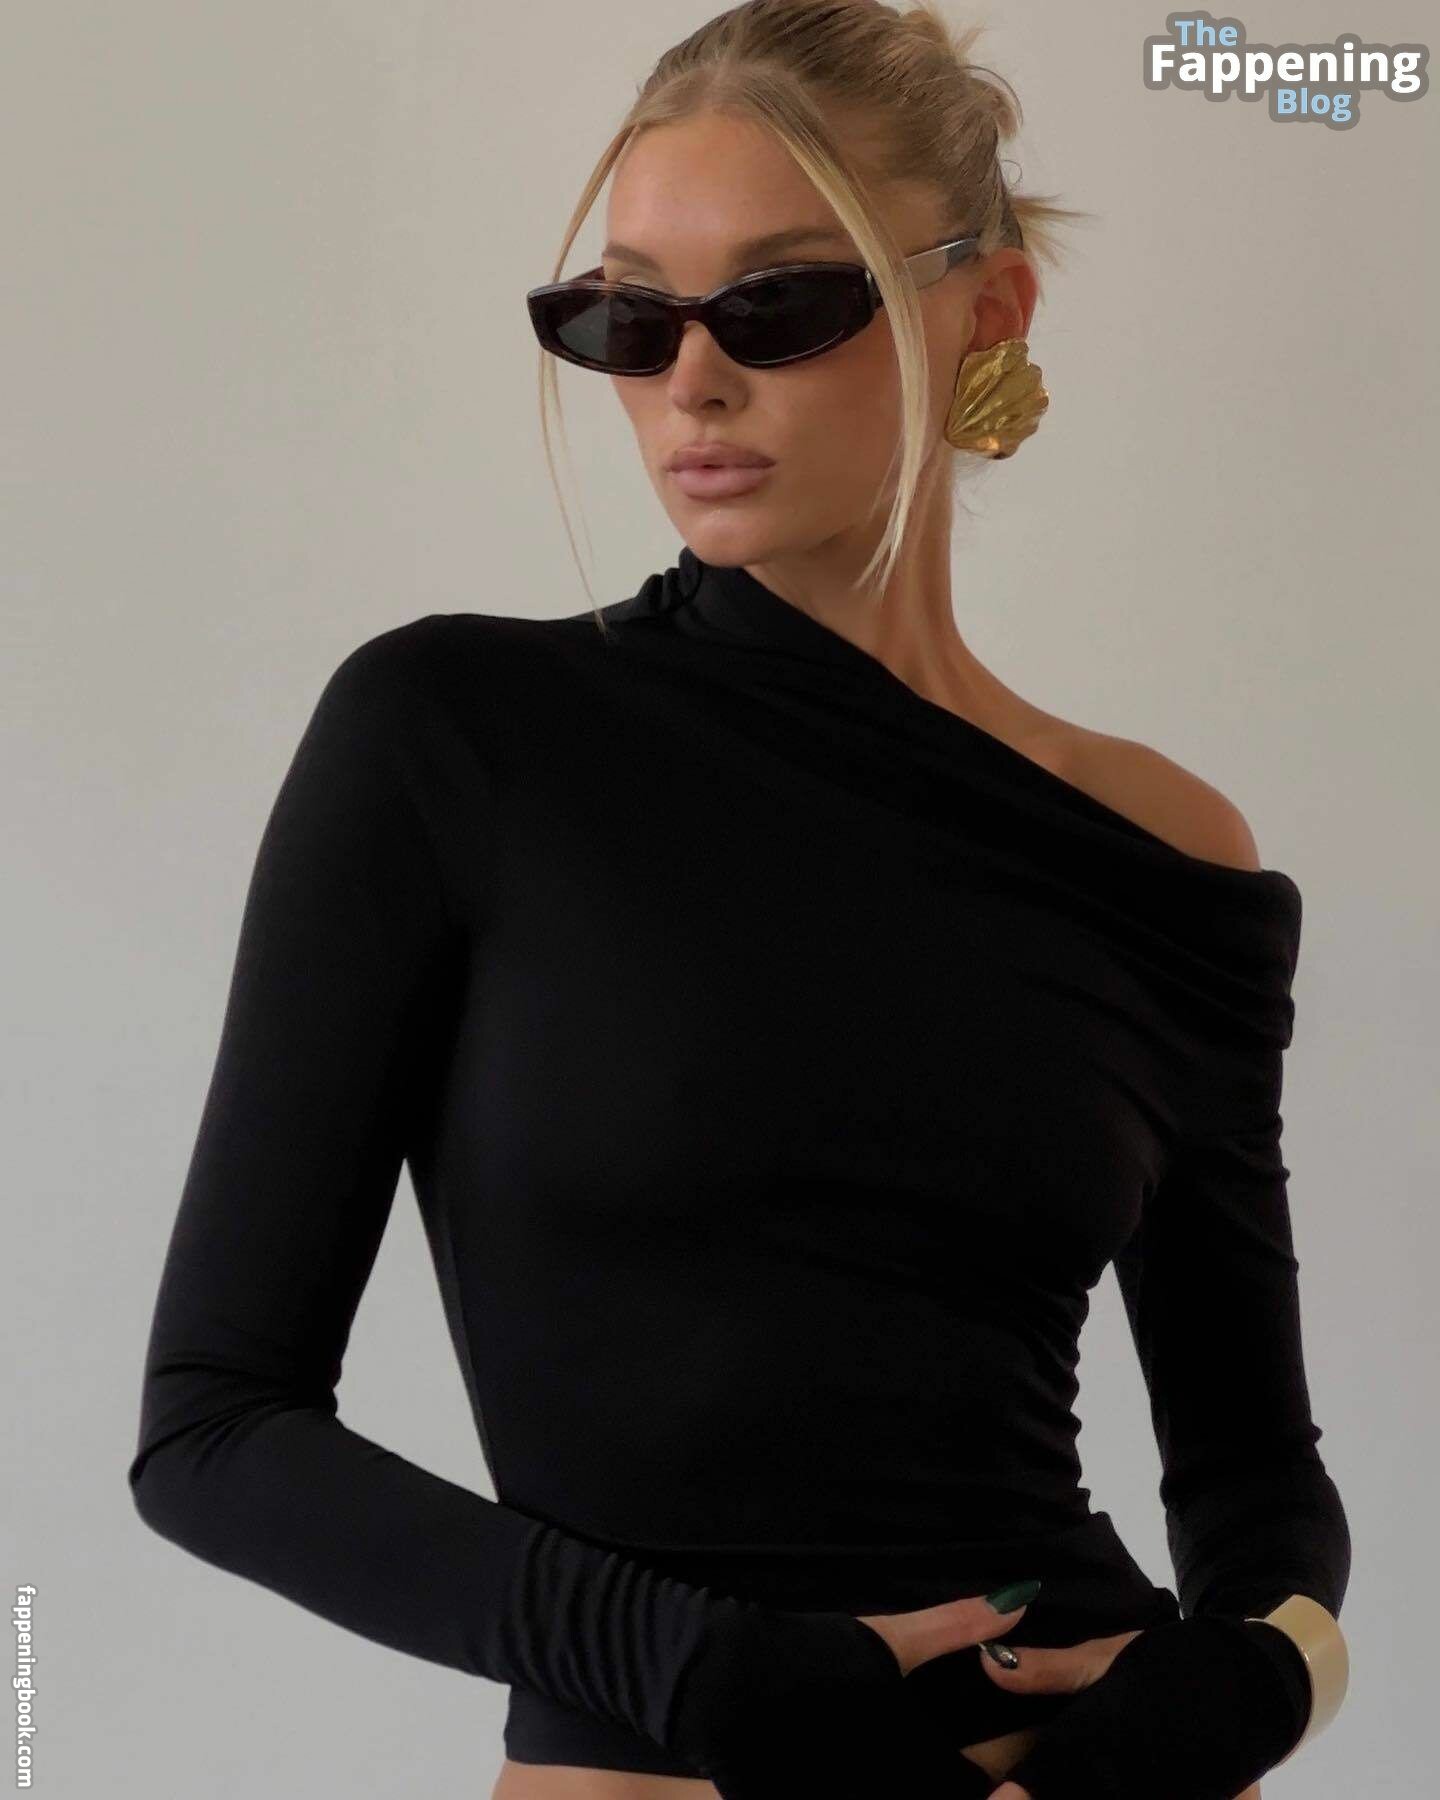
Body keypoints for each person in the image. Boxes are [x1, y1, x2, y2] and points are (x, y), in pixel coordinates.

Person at [126, 4, 1351, 1797]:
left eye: (779, 305)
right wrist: (702, 1670)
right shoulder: (457, 737)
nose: (691, 384)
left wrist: (1249, 1689)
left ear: (988, 312)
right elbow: (214, 1433)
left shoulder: (1168, 847)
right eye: (628, 319)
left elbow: (1253, 1479)